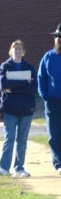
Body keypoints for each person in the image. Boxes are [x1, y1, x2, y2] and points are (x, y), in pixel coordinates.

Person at [0, 40, 37, 178]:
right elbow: (3, 84)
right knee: (9, 138)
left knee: (22, 140)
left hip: (26, 109)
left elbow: (32, 88)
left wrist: (14, 87)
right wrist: (24, 83)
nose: (17, 51)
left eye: (20, 49)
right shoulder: (5, 67)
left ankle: (19, 168)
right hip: (9, 109)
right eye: (15, 49)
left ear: (23, 52)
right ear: (10, 51)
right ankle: (4, 168)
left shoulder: (29, 67)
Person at [37, 24, 61, 175]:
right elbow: (41, 78)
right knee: (54, 133)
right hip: (52, 101)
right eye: (57, 37)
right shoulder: (48, 56)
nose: (59, 39)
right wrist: (44, 95)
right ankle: (59, 163)